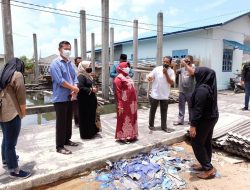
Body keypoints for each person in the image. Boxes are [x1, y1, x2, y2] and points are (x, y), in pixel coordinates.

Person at [184, 63, 219, 179]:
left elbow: (198, 110)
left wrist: (193, 125)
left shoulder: (202, 90)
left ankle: (208, 169)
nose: (195, 75)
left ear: (203, 76)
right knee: (206, 141)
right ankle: (205, 163)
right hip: (211, 117)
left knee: (197, 142)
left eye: (198, 73)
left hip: (204, 119)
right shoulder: (209, 87)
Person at [0, 58, 31, 178]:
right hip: (12, 112)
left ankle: (6, 160)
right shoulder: (17, 75)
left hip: (2, 112)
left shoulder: (2, 75)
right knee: (11, 143)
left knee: (6, 139)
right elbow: (21, 96)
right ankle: (14, 170)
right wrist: (22, 113)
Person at [50, 41, 79, 155]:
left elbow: (75, 77)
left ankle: (67, 140)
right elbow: (60, 81)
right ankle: (59, 146)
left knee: (68, 121)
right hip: (60, 98)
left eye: (69, 49)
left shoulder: (70, 63)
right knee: (61, 122)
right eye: (65, 48)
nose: (68, 51)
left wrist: (75, 88)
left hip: (70, 97)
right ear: (60, 49)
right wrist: (73, 88)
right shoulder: (55, 63)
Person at [146, 56, 175, 132]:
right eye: (164, 61)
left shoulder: (171, 72)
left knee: (164, 111)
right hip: (155, 94)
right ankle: (151, 125)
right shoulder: (157, 69)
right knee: (153, 110)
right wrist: (149, 78)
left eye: (167, 62)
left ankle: (164, 127)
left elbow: (171, 82)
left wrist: (166, 74)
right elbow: (150, 76)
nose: (165, 63)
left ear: (170, 63)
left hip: (164, 95)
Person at [114, 61, 138, 143]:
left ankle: (131, 135)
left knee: (132, 118)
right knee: (123, 118)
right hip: (124, 103)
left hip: (132, 103)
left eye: (128, 66)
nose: (128, 68)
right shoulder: (118, 78)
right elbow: (118, 92)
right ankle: (122, 136)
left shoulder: (127, 76)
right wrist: (120, 105)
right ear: (121, 68)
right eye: (126, 67)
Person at [77, 61, 99, 139]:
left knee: (91, 116)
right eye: (88, 66)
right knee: (86, 117)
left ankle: (92, 131)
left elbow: (90, 84)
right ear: (83, 67)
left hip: (90, 99)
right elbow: (80, 88)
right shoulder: (81, 76)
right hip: (85, 101)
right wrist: (91, 89)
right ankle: (87, 134)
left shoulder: (87, 76)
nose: (89, 67)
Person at [174, 55, 195, 125]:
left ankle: (191, 120)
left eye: (187, 60)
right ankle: (180, 120)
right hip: (182, 91)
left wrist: (185, 64)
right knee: (181, 106)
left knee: (191, 107)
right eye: (185, 60)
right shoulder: (182, 69)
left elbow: (192, 72)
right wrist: (174, 66)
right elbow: (175, 72)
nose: (186, 61)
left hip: (190, 91)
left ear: (191, 61)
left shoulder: (193, 68)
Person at [72, 57, 82, 127]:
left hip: (82, 89)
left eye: (80, 62)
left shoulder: (83, 69)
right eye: (78, 62)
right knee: (75, 107)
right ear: (75, 62)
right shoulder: (73, 68)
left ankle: (82, 121)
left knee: (81, 106)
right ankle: (77, 122)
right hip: (75, 89)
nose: (79, 64)